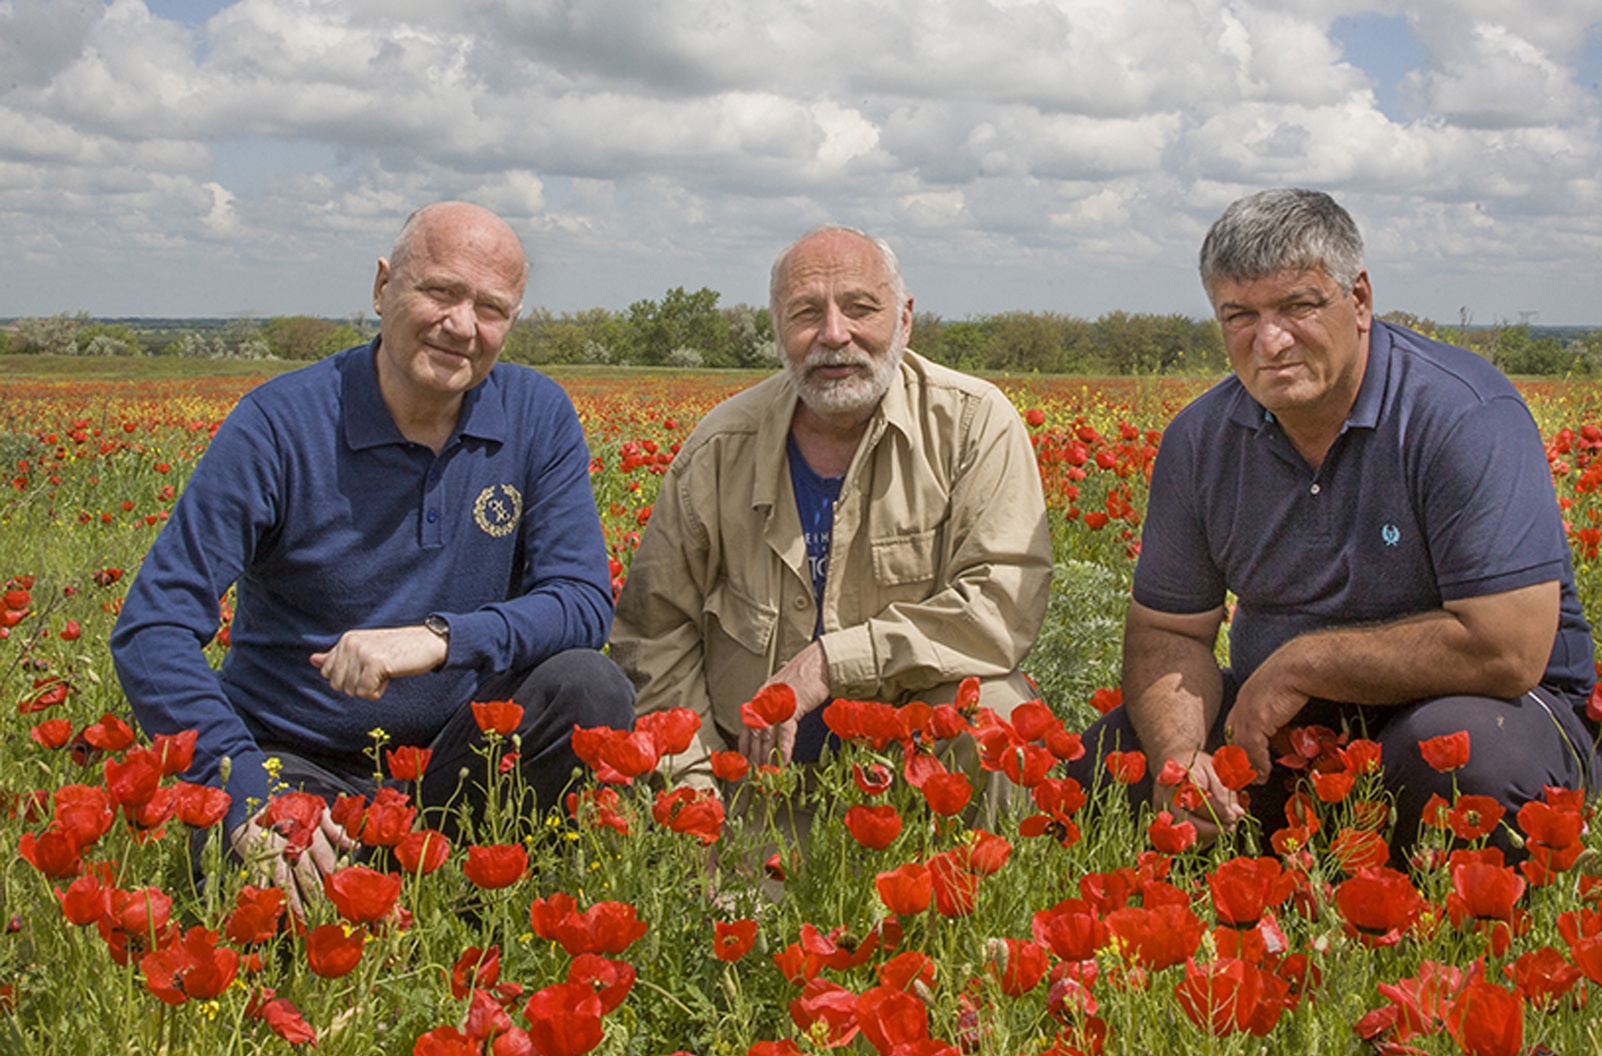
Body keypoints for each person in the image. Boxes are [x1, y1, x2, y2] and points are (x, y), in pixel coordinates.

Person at [112, 201, 634, 903]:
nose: (461, 326)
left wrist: (439, 638)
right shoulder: (280, 425)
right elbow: (154, 626)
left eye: (490, 308)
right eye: (441, 291)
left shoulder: (535, 415)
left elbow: (580, 603)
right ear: (383, 286)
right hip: (298, 761)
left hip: (460, 756)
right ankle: (356, 881)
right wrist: (238, 789)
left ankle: (475, 894)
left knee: (589, 684)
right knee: (281, 935)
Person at [1080, 188, 1602, 857]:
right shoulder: (1200, 439)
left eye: (1297, 306)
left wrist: (1306, 662)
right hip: (1290, 723)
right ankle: (1264, 876)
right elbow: (1168, 631)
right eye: (1239, 314)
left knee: (1448, 759)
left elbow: (1508, 649)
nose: (1270, 340)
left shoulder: (1463, 415)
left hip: (1489, 706)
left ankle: (1450, 932)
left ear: (1359, 300)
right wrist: (1182, 760)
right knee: (1113, 759)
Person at [610, 225, 1051, 790]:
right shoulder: (719, 450)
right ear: (777, 329)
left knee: (998, 714)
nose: (835, 334)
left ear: (905, 318)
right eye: (805, 313)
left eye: (861, 309)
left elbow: (999, 607)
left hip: (914, 773)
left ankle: (973, 874)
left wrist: (831, 662)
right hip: (754, 786)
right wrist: (694, 792)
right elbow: (654, 636)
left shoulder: (972, 425)